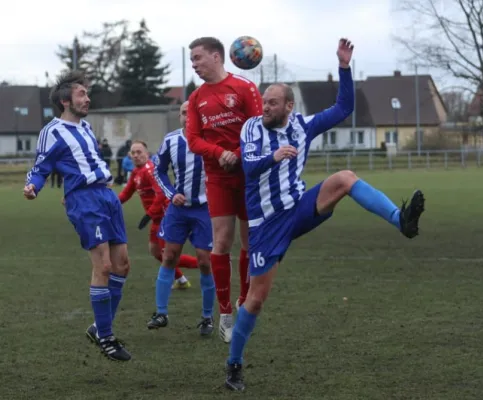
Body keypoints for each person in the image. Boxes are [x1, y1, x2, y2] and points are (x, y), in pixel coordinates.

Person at [224, 38, 426, 391]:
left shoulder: (302, 126)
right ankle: (234, 366)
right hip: (267, 223)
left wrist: (344, 67)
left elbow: (344, 107)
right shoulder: (252, 128)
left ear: (289, 106)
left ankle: (401, 220)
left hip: (299, 207)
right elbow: (248, 168)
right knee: (256, 299)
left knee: (345, 178)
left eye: (273, 103)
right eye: (264, 102)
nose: (265, 107)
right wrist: (273, 158)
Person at [23, 71, 131, 362]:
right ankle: (107, 337)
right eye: (81, 94)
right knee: (104, 266)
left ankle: (99, 327)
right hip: (84, 201)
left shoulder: (85, 128)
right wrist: (33, 185)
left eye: (86, 93)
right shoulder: (53, 130)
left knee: (122, 266)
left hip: (107, 196)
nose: (87, 98)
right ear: (64, 100)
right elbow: (42, 165)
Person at [186, 36, 263, 342]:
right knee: (221, 241)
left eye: (198, 58)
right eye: (192, 60)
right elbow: (193, 139)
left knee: (248, 241)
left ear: (217, 57)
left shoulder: (244, 88)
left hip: (248, 174)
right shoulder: (196, 98)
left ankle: (244, 302)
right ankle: (225, 313)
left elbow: (259, 130)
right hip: (217, 177)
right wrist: (220, 154)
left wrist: (241, 156)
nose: (194, 64)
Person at [149, 101, 215, 335]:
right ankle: (161, 313)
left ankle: (207, 317)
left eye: (191, 112)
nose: (186, 116)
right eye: (183, 113)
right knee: (169, 256)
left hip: (204, 209)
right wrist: (171, 193)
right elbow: (158, 170)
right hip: (178, 210)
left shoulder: (211, 139)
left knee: (205, 261)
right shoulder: (171, 140)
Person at [118, 141, 198, 289]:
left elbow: (161, 194)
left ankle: (206, 264)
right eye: (133, 153)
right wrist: (110, 204)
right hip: (156, 217)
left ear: (147, 154)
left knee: (168, 255)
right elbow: (126, 193)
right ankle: (181, 280)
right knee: (155, 251)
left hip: (165, 216)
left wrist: (148, 215)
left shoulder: (150, 170)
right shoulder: (136, 172)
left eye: (139, 152)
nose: (136, 155)